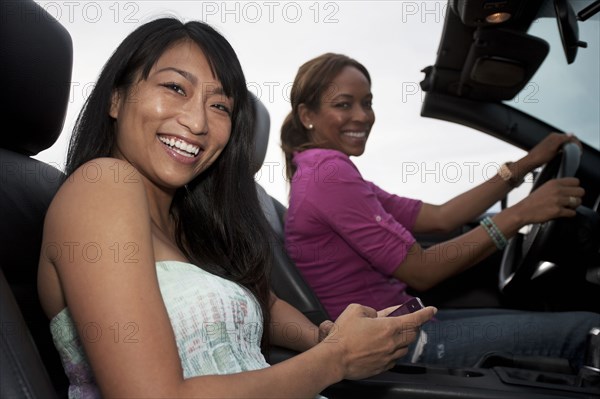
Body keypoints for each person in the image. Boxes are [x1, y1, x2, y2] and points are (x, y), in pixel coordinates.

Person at [37, 21, 436, 398]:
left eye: (221, 106)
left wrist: (326, 337)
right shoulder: (104, 186)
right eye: (176, 87)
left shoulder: (188, 221)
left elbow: (260, 302)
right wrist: (337, 358)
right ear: (116, 97)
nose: (197, 122)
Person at [281, 52, 600, 369]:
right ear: (308, 114)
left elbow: (441, 216)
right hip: (396, 347)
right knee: (588, 332)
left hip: (406, 325)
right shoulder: (329, 175)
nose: (363, 116)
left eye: (368, 102)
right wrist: (521, 214)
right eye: (344, 104)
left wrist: (526, 164)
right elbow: (422, 271)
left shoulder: (323, 171)